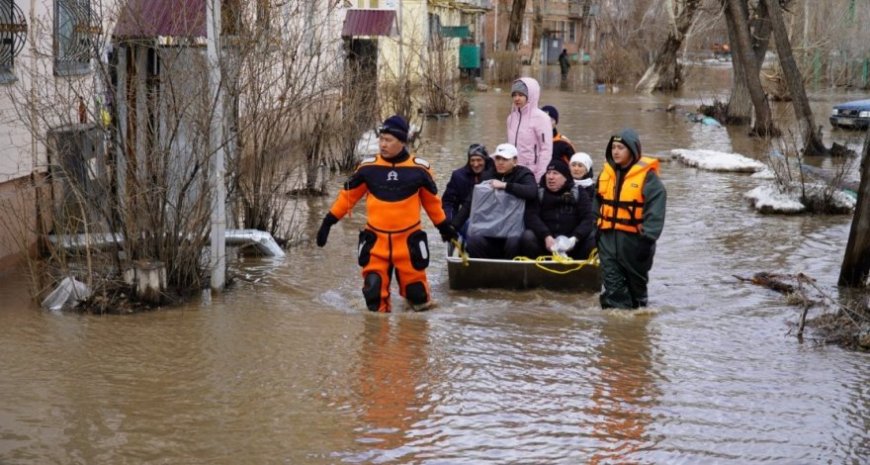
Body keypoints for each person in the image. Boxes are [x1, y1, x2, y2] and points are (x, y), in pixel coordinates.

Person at [316, 115, 458, 313]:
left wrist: (445, 228)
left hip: (408, 242)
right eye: (381, 139)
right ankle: (376, 341)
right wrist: (328, 222)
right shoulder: (368, 168)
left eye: (388, 140)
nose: (383, 144)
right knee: (373, 294)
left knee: (418, 297)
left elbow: (432, 204)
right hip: (376, 241)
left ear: (402, 141)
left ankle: (412, 338)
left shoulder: (419, 170)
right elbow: (347, 197)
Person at [594, 128, 666, 309]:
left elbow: (655, 210)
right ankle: (616, 328)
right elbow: (596, 204)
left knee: (637, 291)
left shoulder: (648, 178)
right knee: (612, 285)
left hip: (636, 241)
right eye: (613, 147)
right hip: (608, 239)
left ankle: (635, 321)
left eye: (621, 148)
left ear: (632, 150)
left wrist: (648, 238)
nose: (616, 151)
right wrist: (594, 229)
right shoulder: (606, 174)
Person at [452, 143, 537, 259]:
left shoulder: (524, 174)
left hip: (513, 229)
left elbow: (532, 192)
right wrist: (453, 226)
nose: (500, 162)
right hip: (490, 228)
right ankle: (482, 271)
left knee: (514, 241)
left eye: (505, 159)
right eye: (498, 158)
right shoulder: (487, 175)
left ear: (515, 160)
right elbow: (470, 202)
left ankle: (511, 271)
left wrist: (505, 186)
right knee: (473, 239)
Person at [520, 160, 595, 260]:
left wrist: (575, 238)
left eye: (555, 173)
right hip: (545, 243)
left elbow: (588, 218)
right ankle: (536, 269)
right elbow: (531, 216)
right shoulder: (539, 193)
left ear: (565, 177)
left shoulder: (579, 192)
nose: (550, 177)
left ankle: (582, 269)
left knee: (593, 237)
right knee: (528, 236)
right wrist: (546, 236)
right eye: (548, 173)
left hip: (572, 244)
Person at [507, 77, 553, 182]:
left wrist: (539, 177)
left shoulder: (541, 118)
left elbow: (546, 150)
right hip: (513, 173)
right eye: (514, 95)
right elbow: (509, 147)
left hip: (531, 174)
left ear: (530, 96)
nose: (516, 98)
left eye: (521, 95)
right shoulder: (511, 118)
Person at [441, 143, 494, 225]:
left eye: (479, 160)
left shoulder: (496, 174)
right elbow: (449, 202)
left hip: (492, 219)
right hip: (466, 219)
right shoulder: (458, 176)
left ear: (485, 160)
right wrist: (450, 221)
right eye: (472, 160)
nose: (475, 164)